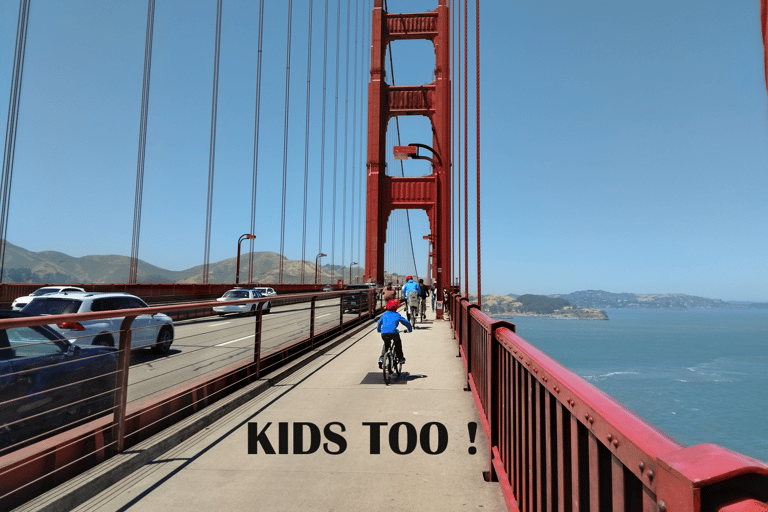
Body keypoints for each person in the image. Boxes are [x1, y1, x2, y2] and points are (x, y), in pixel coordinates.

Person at [377, 299, 412, 367]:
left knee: (386, 344)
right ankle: (400, 358)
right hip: (393, 333)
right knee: (398, 343)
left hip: (384, 333)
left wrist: (379, 330)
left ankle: (381, 359)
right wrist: (409, 329)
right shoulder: (397, 314)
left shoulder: (384, 314)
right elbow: (406, 322)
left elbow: (379, 323)